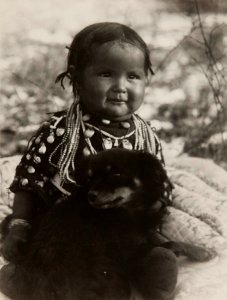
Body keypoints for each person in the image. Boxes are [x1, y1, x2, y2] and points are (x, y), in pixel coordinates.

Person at [1, 22, 171, 262]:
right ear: (77, 78)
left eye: (133, 76)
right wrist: (20, 224)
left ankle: (154, 269)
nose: (120, 87)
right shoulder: (60, 130)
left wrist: (154, 211)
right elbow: (29, 179)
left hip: (122, 229)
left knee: (142, 252)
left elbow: (156, 183)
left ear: (146, 81)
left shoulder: (146, 137)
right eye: (106, 74)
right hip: (63, 227)